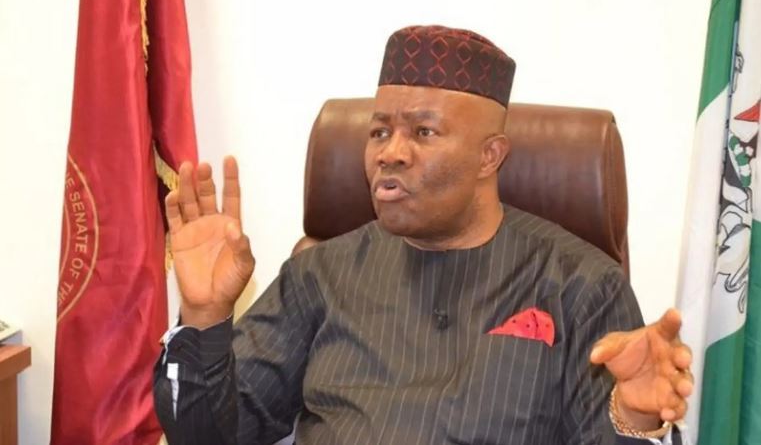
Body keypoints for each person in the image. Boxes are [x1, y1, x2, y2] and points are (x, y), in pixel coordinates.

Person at [153, 25, 693, 445]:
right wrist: (203, 318)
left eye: (423, 132)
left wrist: (634, 414)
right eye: (379, 131)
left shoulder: (581, 285)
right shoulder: (318, 276)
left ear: (489, 156)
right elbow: (206, 437)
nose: (390, 152)